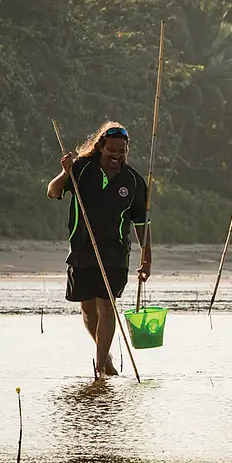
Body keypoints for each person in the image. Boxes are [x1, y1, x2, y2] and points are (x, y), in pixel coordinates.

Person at [47, 121, 151, 377]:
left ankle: (101, 365)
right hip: (82, 248)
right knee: (87, 308)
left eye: (121, 152)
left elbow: (141, 224)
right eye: (111, 151)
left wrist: (147, 257)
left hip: (115, 252)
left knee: (108, 304)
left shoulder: (134, 181)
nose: (116, 156)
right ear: (100, 147)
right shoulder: (81, 169)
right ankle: (104, 353)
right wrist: (65, 172)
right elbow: (52, 192)